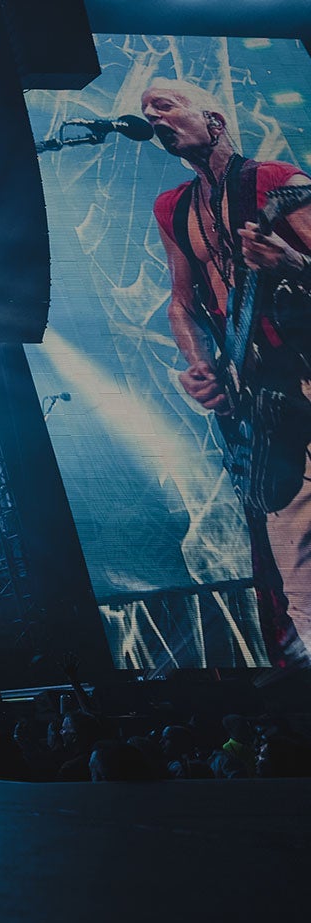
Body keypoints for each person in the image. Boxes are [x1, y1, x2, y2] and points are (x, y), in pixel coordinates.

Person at [146, 77, 311, 666]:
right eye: (146, 112)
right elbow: (181, 303)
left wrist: (291, 261)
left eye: (165, 106)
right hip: (261, 395)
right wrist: (199, 366)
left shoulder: (275, 180)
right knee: (293, 554)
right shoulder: (173, 207)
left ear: (212, 120)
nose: (153, 118)